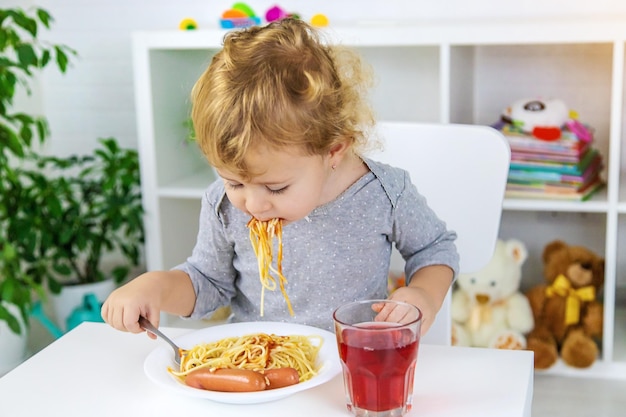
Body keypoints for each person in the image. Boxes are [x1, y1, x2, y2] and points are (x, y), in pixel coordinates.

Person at [101, 18, 459, 336]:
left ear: (333, 151)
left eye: (276, 187)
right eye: (234, 182)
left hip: (350, 361)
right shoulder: (223, 205)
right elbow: (208, 282)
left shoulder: (384, 193)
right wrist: (156, 287)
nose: (253, 205)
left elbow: (434, 248)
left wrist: (423, 294)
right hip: (255, 361)